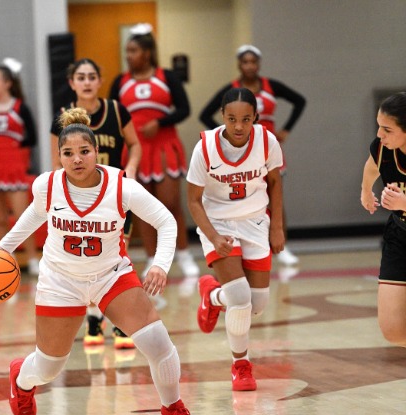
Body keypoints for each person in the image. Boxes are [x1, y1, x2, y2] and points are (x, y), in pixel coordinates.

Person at [0, 108, 199, 415]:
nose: (77, 159)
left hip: (110, 276)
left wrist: (160, 264)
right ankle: (21, 378)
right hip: (60, 280)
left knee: (157, 343)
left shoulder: (122, 187)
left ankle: (173, 409)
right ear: (59, 157)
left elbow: (165, 221)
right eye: (68, 153)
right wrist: (1, 249)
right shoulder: (47, 185)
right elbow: (34, 215)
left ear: (97, 151)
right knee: (48, 368)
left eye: (84, 151)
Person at [186, 88, 285, 391]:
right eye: (231, 119)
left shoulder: (267, 141)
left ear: (256, 117)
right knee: (241, 299)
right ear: (222, 116)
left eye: (245, 119)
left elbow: (275, 182)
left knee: (257, 304)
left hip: (255, 221)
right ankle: (240, 366)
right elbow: (193, 200)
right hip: (218, 223)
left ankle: (212, 296)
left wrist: (277, 226)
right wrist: (213, 236)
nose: (238, 126)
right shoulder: (205, 148)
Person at [50, 58, 142, 349]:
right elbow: (56, 162)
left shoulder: (117, 110)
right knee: (88, 261)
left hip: (113, 197)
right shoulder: (62, 116)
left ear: (100, 81)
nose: (87, 82)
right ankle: (93, 318)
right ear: (72, 83)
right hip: (80, 200)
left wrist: (132, 169)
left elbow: (135, 144)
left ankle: (121, 322)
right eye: (81, 77)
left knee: (117, 261)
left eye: (92, 76)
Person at [199, 44, 306, 266]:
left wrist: (286, 130)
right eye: (245, 62)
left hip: (266, 149)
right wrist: (222, 136)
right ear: (239, 64)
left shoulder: (271, 86)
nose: (249, 66)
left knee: (275, 195)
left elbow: (300, 101)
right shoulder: (231, 90)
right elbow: (205, 114)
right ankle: (243, 243)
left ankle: (281, 245)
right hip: (240, 153)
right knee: (245, 197)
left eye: (253, 62)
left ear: (259, 64)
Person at [109, 23, 199, 279]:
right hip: (135, 151)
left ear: (147, 53)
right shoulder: (120, 82)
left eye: (133, 51)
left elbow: (184, 109)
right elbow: (112, 114)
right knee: (142, 207)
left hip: (164, 146)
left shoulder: (166, 76)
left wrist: (160, 122)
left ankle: (183, 254)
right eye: (127, 51)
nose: (128, 56)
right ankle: (152, 258)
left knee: (170, 203)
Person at [0, 58, 39, 275]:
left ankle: (32, 259)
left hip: (14, 168)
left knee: (23, 218)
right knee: (0, 219)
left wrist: (12, 148)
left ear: (8, 83)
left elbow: (32, 137)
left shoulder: (20, 107)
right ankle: (5, 259)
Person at [361, 92, 406, 348]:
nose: (380, 134)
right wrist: (366, 191)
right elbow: (371, 166)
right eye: (379, 126)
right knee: (393, 331)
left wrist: (404, 204)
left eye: (387, 129)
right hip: (399, 234)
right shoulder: (382, 149)